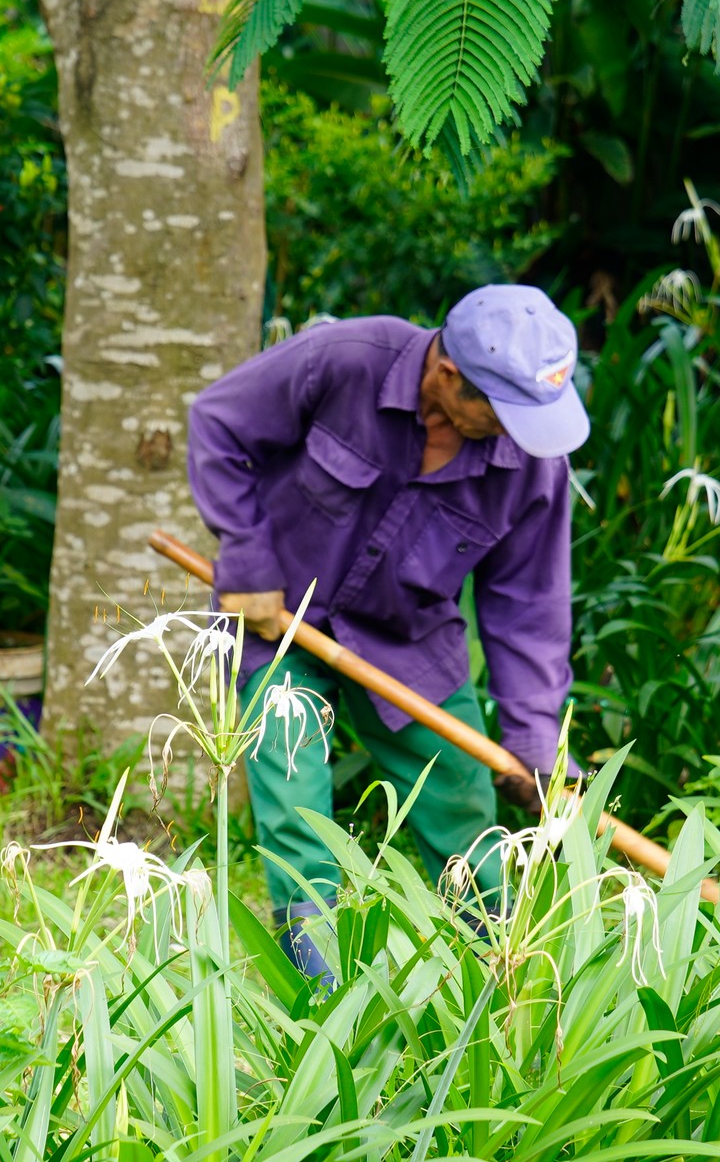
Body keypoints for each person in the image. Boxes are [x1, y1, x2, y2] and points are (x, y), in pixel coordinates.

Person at [185, 284, 587, 982]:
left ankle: (499, 988)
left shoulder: (532, 465)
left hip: (408, 639)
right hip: (279, 621)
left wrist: (533, 742)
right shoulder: (346, 360)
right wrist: (245, 556)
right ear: (448, 376)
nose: (522, 434)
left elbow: (529, 607)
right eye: (505, 411)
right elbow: (220, 424)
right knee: (296, 815)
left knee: (464, 803)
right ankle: (319, 1013)